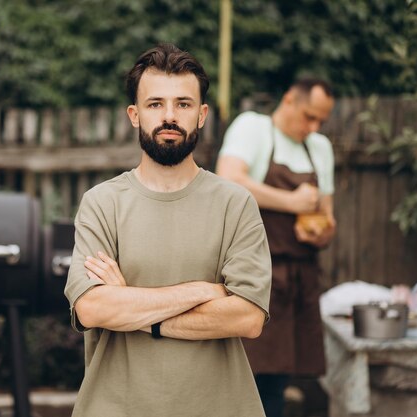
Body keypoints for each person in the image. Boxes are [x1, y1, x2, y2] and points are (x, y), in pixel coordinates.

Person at [64, 43, 272, 417]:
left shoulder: (235, 204)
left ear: (202, 115)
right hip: (115, 408)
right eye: (155, 104)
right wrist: (202, 291)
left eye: (184, 104)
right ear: (134, 114)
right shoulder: (102, 203)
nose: (169, 116)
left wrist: (133, 305)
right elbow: (93, 307)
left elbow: (247, 317)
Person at [215, 78, 336, 417]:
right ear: (288, 101)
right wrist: (292, 201)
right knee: (244, 374)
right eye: (309, 117)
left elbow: (327, 215)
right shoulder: (253, 128)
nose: (313, 127)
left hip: (299, 277)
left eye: (320, 122)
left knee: (278, 379)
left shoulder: (320, 148)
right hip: (253, 275)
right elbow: (229, 180)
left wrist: (322, 233)